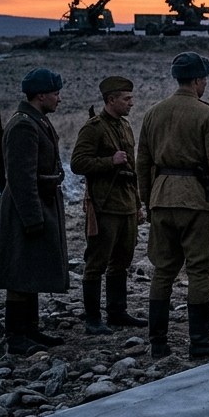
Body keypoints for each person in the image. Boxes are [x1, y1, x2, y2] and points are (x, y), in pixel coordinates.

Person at [136, 52, 209, 358]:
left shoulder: (153, 113)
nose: (205, 84)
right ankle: (199, 341)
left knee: (163, 271)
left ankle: (158, 342)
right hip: (197, 200)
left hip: (161, 197)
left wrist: (147, 198)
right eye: (204, 79)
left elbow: (143, 162)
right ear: (196, 81)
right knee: (199, 271)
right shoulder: (208, 115)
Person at [0, 68, 70, 356]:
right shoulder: (24, 125)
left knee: (31, 269)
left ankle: (30, 329)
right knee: (20, 272)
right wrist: (33, 217)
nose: (59, 99)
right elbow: (20, 178)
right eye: (55, 94)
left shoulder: (37, 121)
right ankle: (16, 336)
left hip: (39, 202)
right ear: (40, 95)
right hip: (26, 207)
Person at [70, 76, 148, 335]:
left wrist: (137, 205)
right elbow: (78, 163)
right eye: (126, 99)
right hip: (104, 206)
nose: (131, 103)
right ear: (110, 100)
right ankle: (92, 318)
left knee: (121, 261)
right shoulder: (93, 128)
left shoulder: (125, 127)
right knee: (96, 263)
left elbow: (133, 169)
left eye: (131, 98)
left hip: (125, 204)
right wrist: (109, 161)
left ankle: (117, 312)